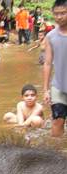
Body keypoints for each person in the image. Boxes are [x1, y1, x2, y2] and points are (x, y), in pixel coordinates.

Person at [43, 0, 67, 137]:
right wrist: (46, 90)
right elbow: (47, 63)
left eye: (63, 13)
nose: (59, 17)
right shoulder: (50, 36)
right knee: (58, 121)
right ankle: (57, 154)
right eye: (56, 14)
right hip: (58, 86)